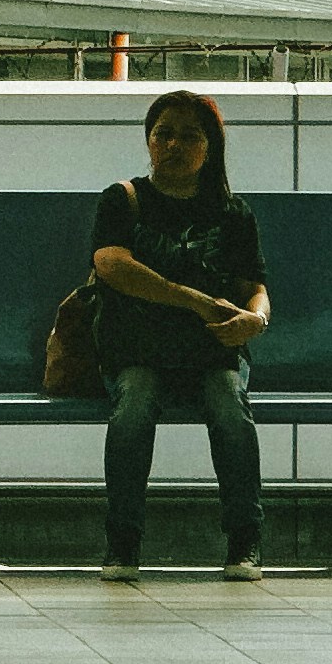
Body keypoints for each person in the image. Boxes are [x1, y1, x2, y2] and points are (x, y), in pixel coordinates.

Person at [87, 88, 271, 583]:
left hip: (212, 350)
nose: (174, 145)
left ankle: (244, 540)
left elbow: (254, 288)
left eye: (190, 136)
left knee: (230, 408)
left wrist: (255, 319)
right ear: (148, 141)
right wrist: (197, 301)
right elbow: (112, 265)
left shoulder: (233, 214)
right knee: (133, 407)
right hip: (138, 349)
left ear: (211, 147)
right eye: (163, 133)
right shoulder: (123, 201)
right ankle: (122, 543)